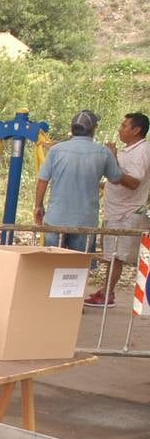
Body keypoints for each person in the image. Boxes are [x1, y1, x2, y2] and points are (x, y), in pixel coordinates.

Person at [34, 109, 122, 254]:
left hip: (56, 218)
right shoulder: (103, 152)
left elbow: (42, 181)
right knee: (80, 264)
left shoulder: (56, 150)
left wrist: (38, 206)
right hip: (85, 221)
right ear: (93, 129)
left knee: (52, 261)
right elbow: (116, 178)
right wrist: (114, 156)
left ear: (72, 128)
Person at [84, 112, 148, 307]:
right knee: (111, 255)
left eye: (124, 126)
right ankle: (106, 290)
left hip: (126, 213)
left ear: (136, 130)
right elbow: (118, 179)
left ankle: (107, 293)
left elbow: (133, 182)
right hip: (115, 211)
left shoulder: (142, 151)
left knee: (116, 257)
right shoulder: (129, 150)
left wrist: (113, 159)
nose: (120, 129)